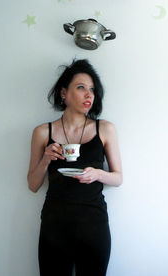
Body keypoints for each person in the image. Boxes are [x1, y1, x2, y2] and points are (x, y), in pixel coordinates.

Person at [27, 59, 122, 276]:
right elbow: (32, 185)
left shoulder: (105, 129)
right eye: (81, 87)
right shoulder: (42, 132)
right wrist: (45, 159)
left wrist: (97, 174)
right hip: (54, 227)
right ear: (63, 93)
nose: (89, 95)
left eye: (92, 89)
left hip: (94, 225)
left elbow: (118, 178)